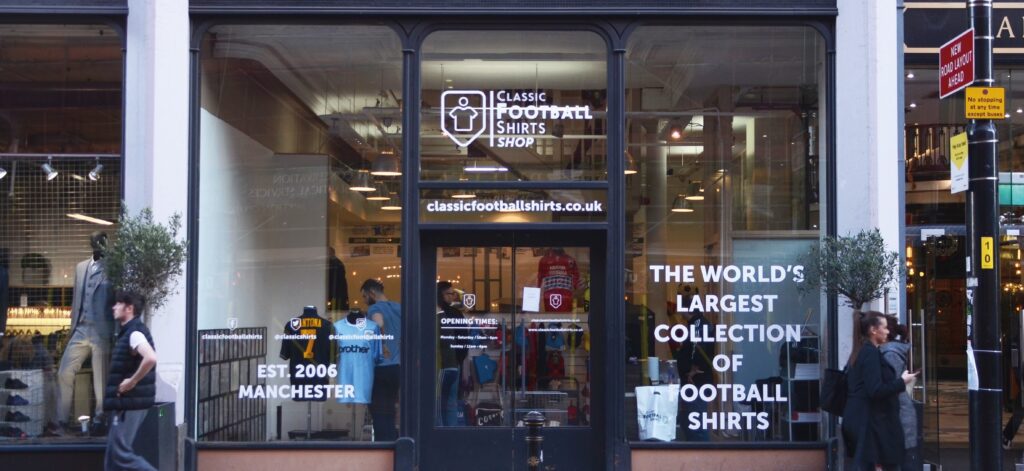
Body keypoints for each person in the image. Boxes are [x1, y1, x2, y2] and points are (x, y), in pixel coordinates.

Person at [842, 311, 918, 471]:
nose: (888, 331)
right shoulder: (870, 353)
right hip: (871, 424)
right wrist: (902, 381)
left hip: (862, 421)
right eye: (884, 327)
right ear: (873, 330)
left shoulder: (861, 351)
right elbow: (875, 390)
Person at [58, 231, 115, 429]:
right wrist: (71, 326)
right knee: (64, 372)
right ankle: (61, 419)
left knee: (101, 379)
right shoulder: (81, 268)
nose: (97, 244)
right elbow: (77, 299)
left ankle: (100, 417)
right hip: (80, 328)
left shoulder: (113, 268)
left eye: (100, 241)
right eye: (93, 241)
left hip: (101, 331)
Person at [103, 291, 157, 471]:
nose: (114, 307)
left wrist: (132, 381)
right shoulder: (128, 332)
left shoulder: (134, 333)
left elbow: (150, 358)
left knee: (120, 455)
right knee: (113, 457)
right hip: (126, 403)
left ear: (129, 308)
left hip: (129, 404)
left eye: (118, 304)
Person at [879, 315, 919, 470]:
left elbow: (891, 386)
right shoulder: (890, 351)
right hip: (897, 417)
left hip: (899, 418)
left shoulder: (890, 354)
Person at [362, 279, 401, 441]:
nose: (364, 301)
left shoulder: (374, 308)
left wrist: (382, 341)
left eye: (364, 297)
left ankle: (382, 447)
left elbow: (378, 322)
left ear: (371, 293)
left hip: (382, 367)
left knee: (379, 411)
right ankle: (392, 444)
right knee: (391, 410)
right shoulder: (399, 307)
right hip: (398, 367)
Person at [673, 307, 714, 441]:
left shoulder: (699, 324)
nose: (678, 310)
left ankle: (703, 455)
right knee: (689, 420)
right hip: (694, 381)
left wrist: (692, 371)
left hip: (696, 381)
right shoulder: (697, 324)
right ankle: (696, 451)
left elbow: (699, 349)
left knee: (696, 422)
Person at [436, 281, 467, 425]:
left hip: (441, 364)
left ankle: (440, 435)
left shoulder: (437, 313)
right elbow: (463, 340)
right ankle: (450, 434)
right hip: (454, 363)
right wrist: (459, 360)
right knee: (451, 403)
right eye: (449, 293)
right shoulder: (455, 314)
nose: (453, 296)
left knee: (437, 402)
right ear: (441, 295)